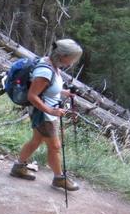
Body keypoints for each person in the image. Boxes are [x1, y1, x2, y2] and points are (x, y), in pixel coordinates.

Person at [10, 39, 83, 191]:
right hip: (43, 115)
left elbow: (49, 88)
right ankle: (59, 178)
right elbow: (32, 96)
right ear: (63, 55)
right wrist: (51, 111)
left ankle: (18, 167)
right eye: (72, 59)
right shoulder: (45, 71)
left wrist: (64, 92)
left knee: (36, 140)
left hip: (47, 113)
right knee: (55, 147)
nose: (73, 62)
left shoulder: (53, 65)